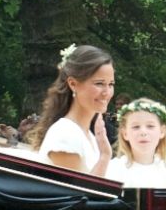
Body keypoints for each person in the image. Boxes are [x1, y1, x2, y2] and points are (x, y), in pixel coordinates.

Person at [29, 44, 115, 175]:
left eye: (111, 84)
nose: (107, 92)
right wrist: (104, 157)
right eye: (99, 83)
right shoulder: (65, 135)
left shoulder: (89, 136)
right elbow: (82, 193)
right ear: (73, 84)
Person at [105, 97, 166, 187]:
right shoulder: (114, 169)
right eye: (136, 127)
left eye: (150, 126)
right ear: (125, 133)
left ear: (162, 131)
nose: (143, 132)